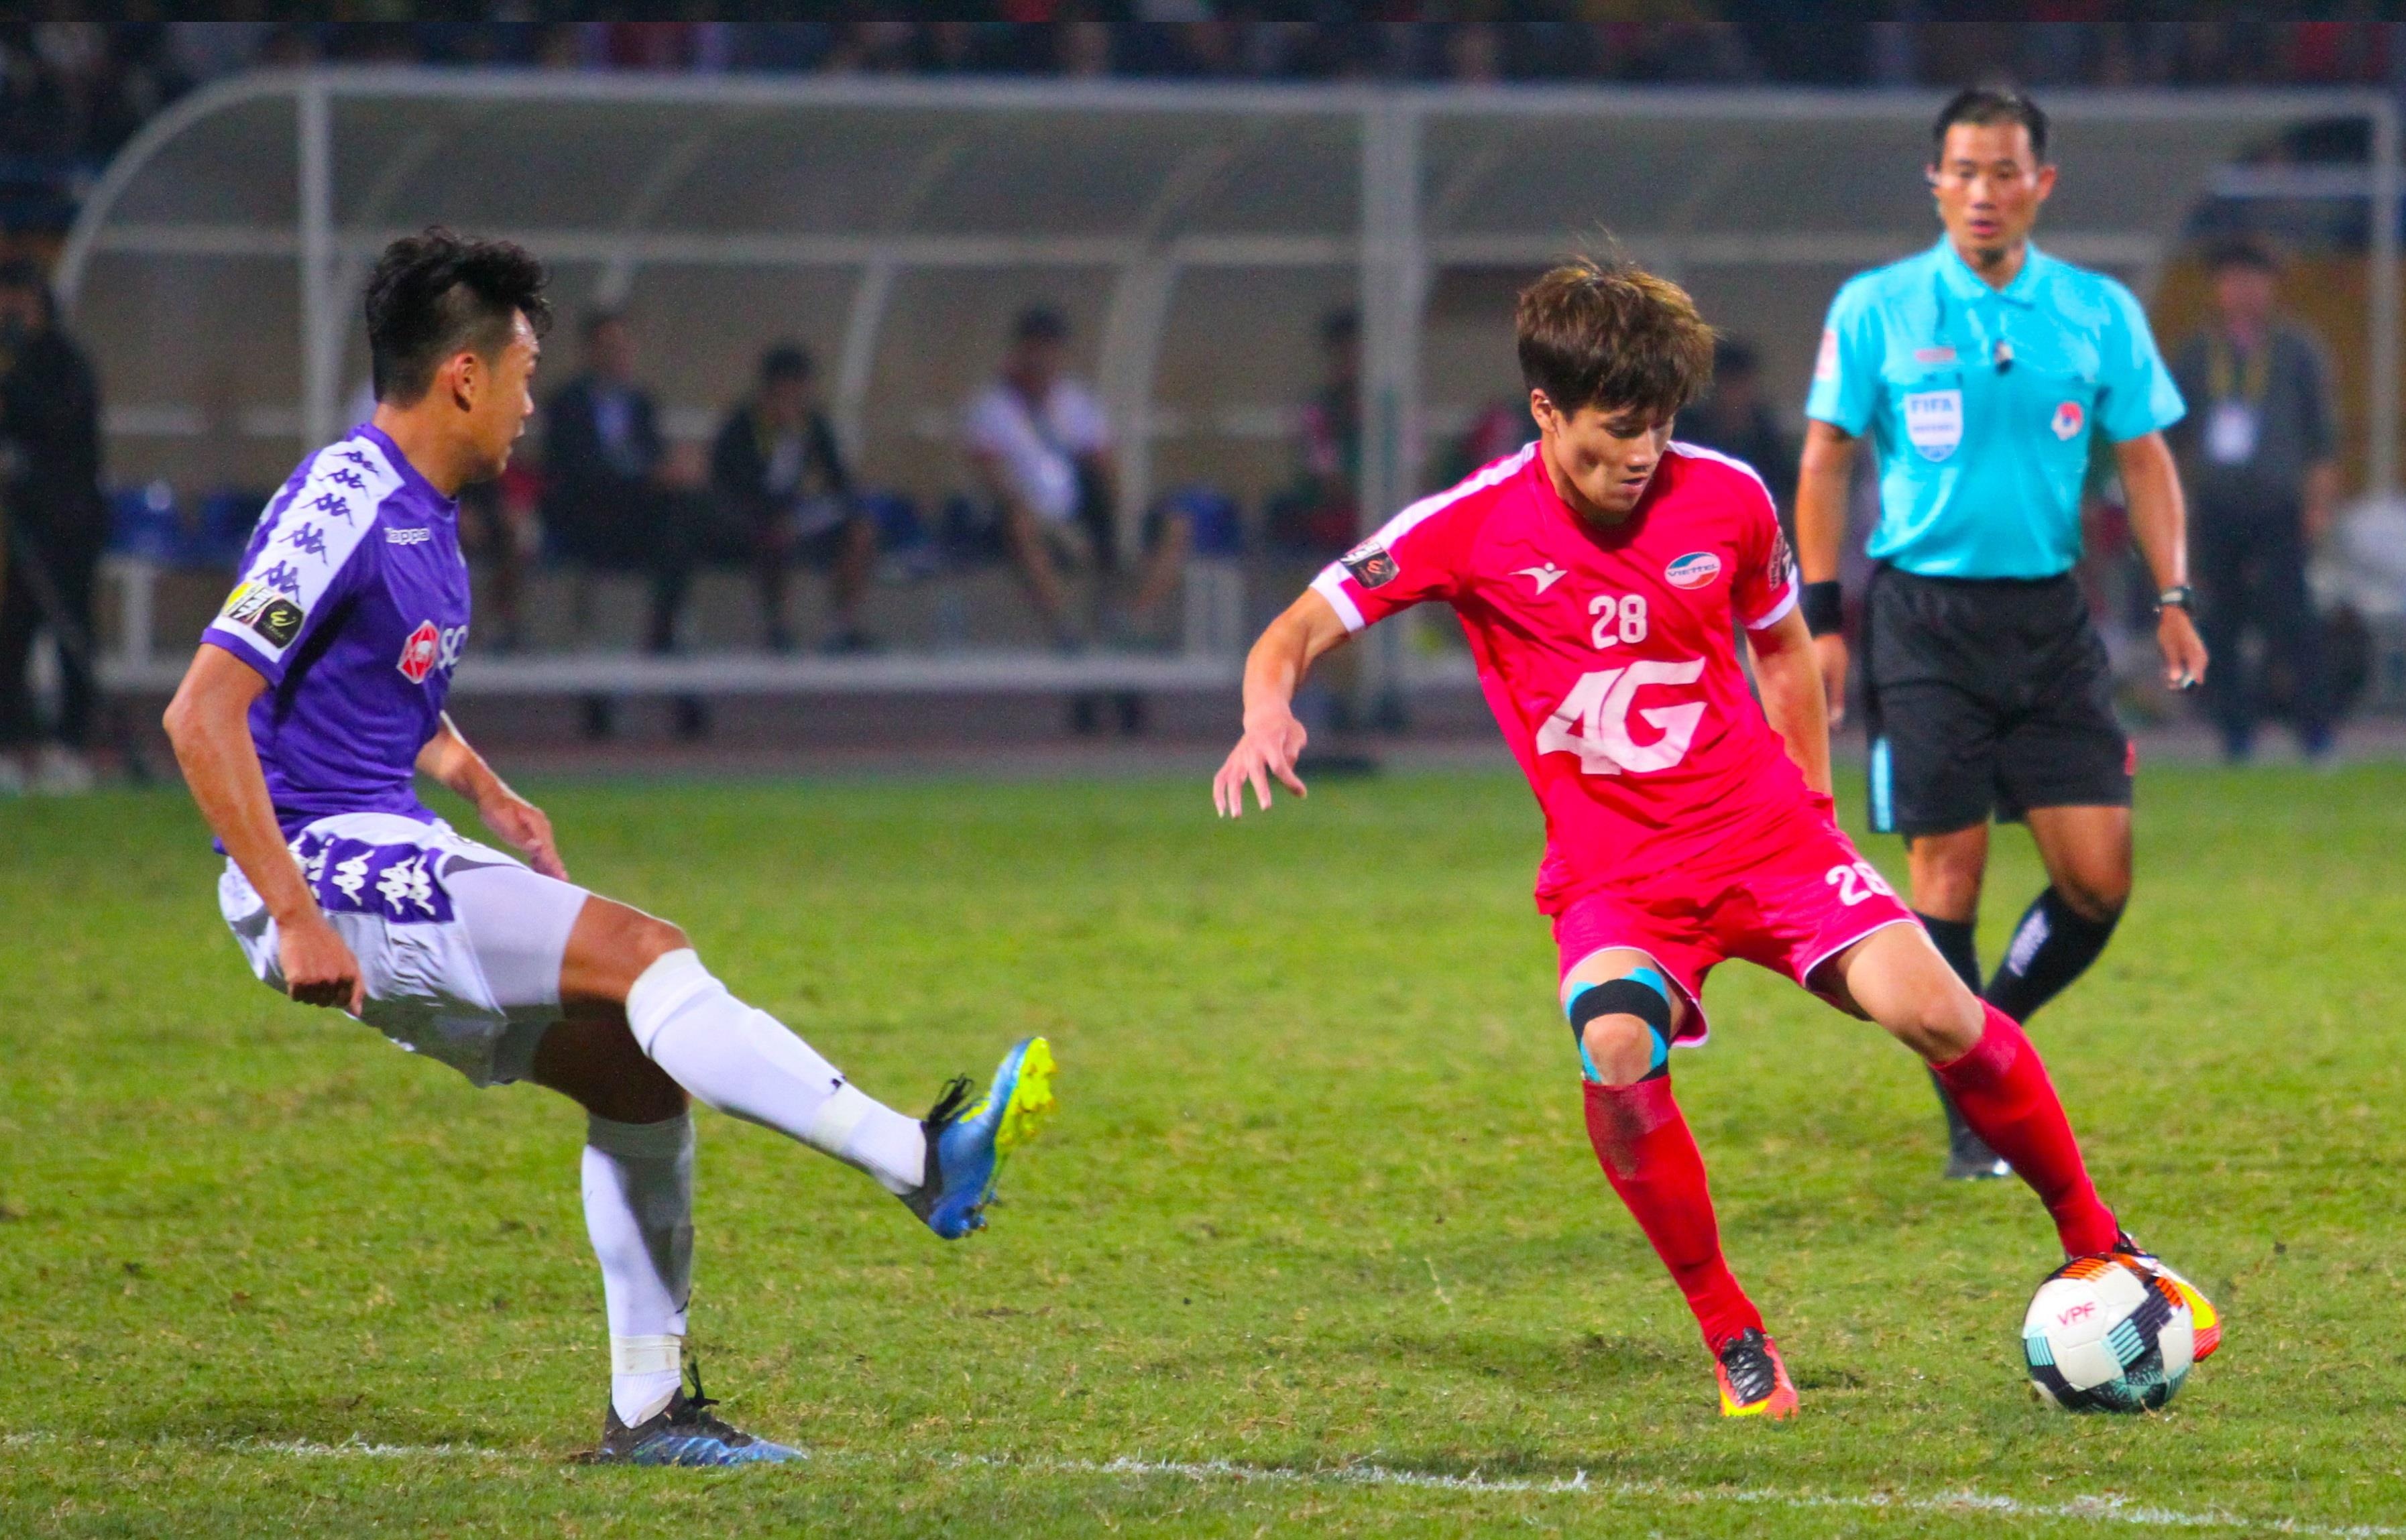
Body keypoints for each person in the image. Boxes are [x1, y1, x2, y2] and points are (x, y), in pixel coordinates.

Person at [1212, 253, 2216, 1421]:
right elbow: (1295, 625)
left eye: (1659, 425)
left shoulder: (1727, 496)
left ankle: (2100, 1246)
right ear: (1545, 409)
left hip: (1769, 846)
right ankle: (1732, 1334)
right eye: (1613, 429)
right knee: (1615, 1049)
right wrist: (1265, 706)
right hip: (1616, 882)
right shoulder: (1468, 524)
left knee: (1938, 1009)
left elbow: (1782, 648)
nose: (1640, 452)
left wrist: (1815, 815)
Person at [161, 230, 1057, 1465]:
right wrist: (295, 909)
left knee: (637, 1077)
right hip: (319, 866)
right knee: (646, 954)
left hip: (377, 844)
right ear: (463, 375)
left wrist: (480, 781)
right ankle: (919, 1158)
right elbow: (202, 709)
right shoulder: (343, 498)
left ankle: (646, 1415)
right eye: (524, 370)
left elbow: (365, 686)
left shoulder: (422, 510)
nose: (534, 401)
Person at [1795, 86, 2208, 1181]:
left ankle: (1988, 1028)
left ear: (2040, 185)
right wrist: (1821, 622)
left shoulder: (2093, 312)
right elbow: (1825, 461)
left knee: (2097, 879)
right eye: (1963, 171)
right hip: (1922, 621)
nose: (1983, 192)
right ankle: (1974, 1118)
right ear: (1933, 182)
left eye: (2004, 172)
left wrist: (2172, 596)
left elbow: (2146, 459)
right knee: (1947, 878)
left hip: (2048, 617)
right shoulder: (1876, 308)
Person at [2167, 235, 2341, 761]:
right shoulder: (2199, 353)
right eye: (2233, 281)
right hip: (2219, 507)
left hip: (2279, 505)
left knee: (2295, 620)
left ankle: (2316, 735)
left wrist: (2318, 504)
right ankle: (2235, 737)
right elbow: (2172, 439)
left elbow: (2322, 438)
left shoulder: (2296, 351)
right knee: (2220, 621)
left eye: (2253, 280)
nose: (2242, 291)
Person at [964, 305, 1186, 646]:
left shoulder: (1076, 403)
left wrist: (1117, 514)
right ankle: (1067, 629)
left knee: (1173, 525)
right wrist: (1040, 517)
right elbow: (992, 476)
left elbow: (1103, 465)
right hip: (1030, 517)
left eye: (1050, 348)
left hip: (1083, 512)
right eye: (1035, 348)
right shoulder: (993, 408)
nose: (1042, 358)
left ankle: (1132, 619)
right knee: (1020, 525)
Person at [0, 258, 107, 795]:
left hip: (68, 528)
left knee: (71, 634)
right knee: (14, 636)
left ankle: (71, 745)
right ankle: (17, 745)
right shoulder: (12, 364)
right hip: (24, 530)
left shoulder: (66, 366)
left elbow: (59, 427)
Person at [542, 309, 675, 737]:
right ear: (591, 352)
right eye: (608, 347)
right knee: (598, 614)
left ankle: (670, 638)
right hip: (586, 521)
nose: (619, 356)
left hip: (636, 525)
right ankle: (600, 698)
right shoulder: (567, 404)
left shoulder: (643, 403)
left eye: (623, 347)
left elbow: (654, 457)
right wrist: (634, 476)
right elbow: (572, 469)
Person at [709, 343, 876, 654]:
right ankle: (777, 624)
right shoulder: (743, 426)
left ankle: (843, 625)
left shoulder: (810, 423)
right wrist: (778, 440)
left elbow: (838, 478)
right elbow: (737, 483)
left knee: (860, 532)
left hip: (793, 512)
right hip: (751, 515)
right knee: (778, 533)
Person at [1265, 308, 1361, 556]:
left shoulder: (1394, 413)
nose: (1353, 363)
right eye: (1344, 354)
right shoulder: (1318, 412)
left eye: (1358, 353)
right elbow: (1330, 485)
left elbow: (1414, 476)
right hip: (1334, 523)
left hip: (1384, 517)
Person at [1677, 338, 1796, 528]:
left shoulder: (1765, 436)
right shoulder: (1687, 432)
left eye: (1742, 383)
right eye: (1729, 383)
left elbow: (1786, 500)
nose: (1735, 393)